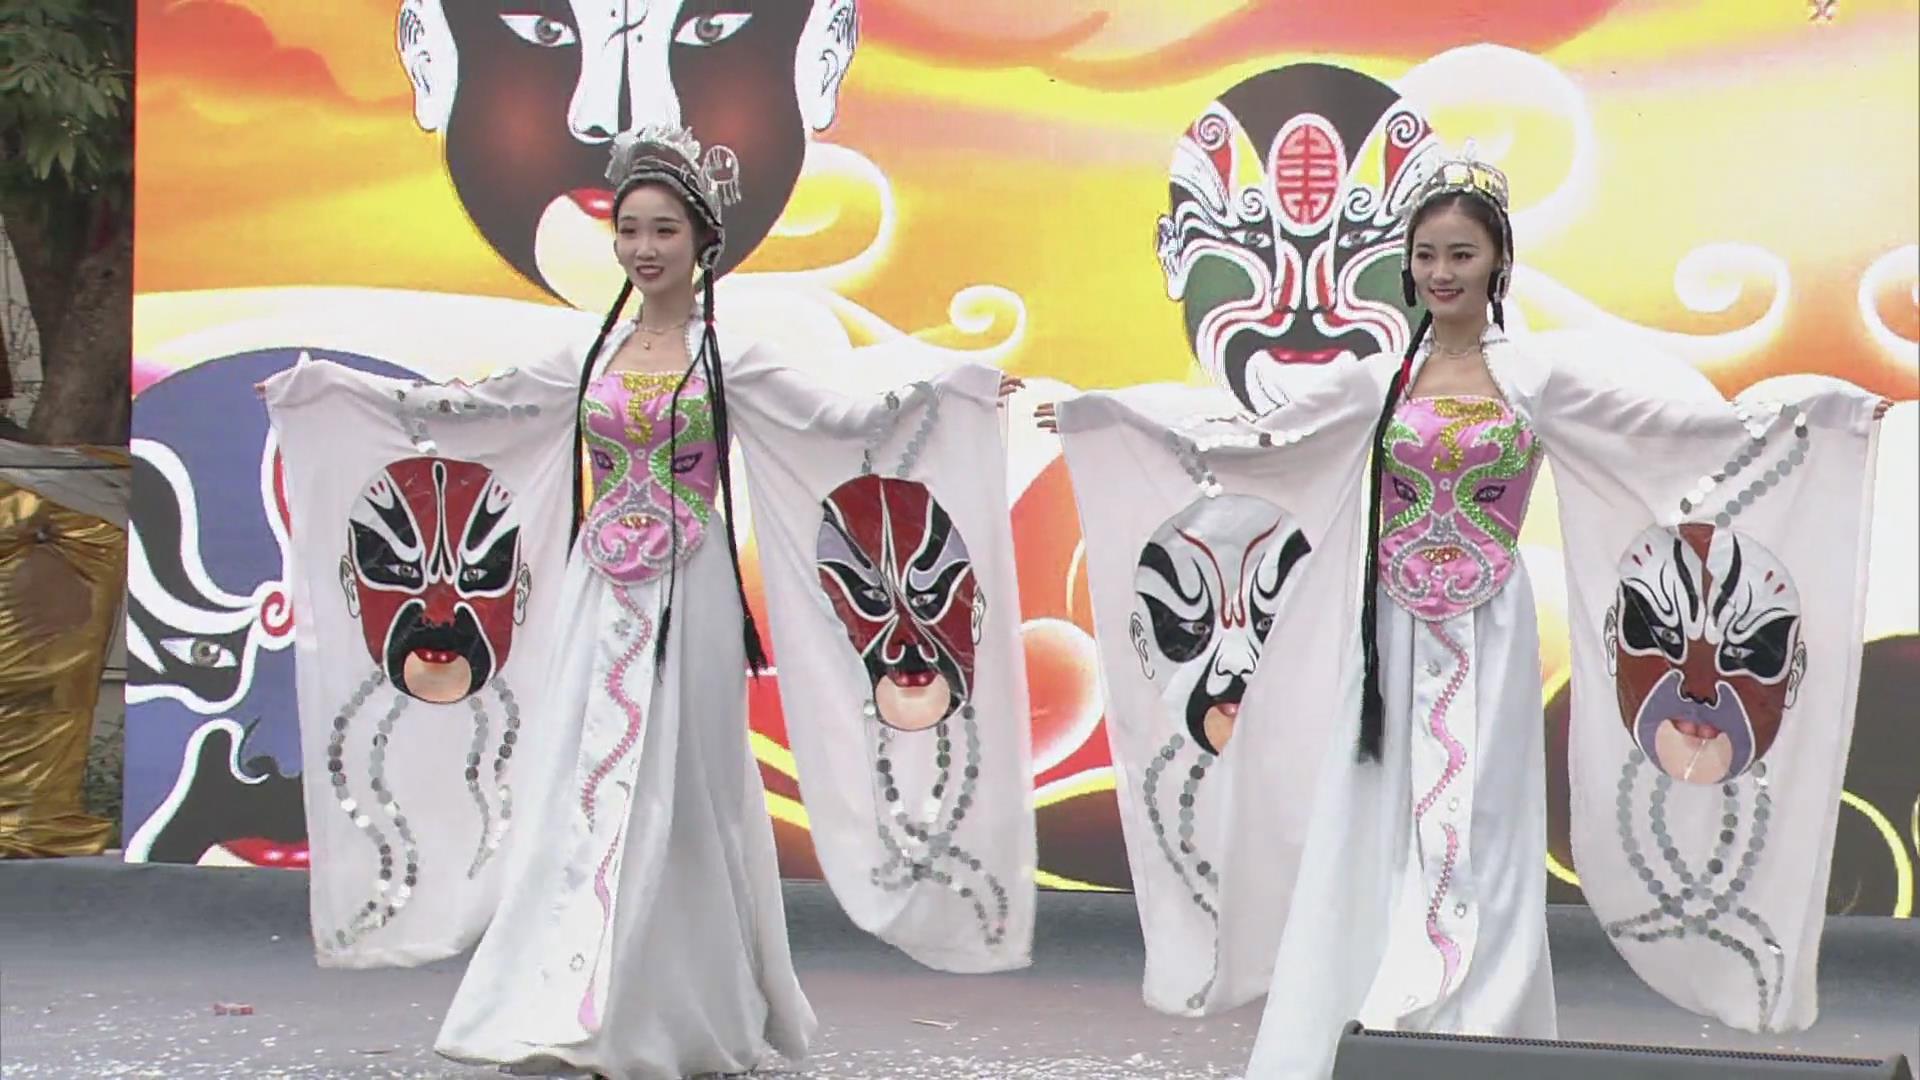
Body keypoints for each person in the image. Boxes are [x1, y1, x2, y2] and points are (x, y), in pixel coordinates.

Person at [1044, 146, 1891, 1079]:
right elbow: (1255, 442)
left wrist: (1820, 421)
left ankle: (1479, 1029)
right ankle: (1365, 1004)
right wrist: (1106, 420)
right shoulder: (1378, 379)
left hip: (1490, 624)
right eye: (1426, 255)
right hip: (1389, 630)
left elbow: (1676, 436)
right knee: (1372, 818)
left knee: (1485, 825)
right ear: (1407, 267)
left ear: (1497, 262)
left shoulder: (1536, 378)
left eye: (1461, 254)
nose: (1442, 272)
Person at [264, 126, 1030, 1079]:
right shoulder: (589, 357)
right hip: (601, 587)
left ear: (702, 240)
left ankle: (673, 1011)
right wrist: (328, 394)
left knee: (686, 784)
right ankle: (567, 998)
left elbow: (847, 425)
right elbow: (467, 412)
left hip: (691, 591)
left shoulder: (731, 357)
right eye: (629, 229)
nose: (644, 247)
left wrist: (960, 393)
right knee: (577, 777)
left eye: (664, 229)